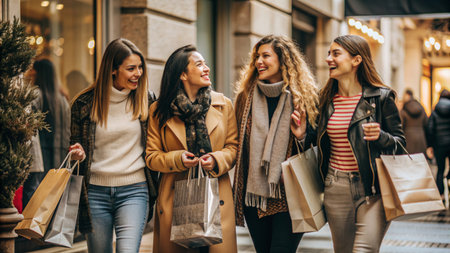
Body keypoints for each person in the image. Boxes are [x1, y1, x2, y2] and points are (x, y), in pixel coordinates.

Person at [301, 34, 405, 252]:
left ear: (356, 60)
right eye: (329, 53)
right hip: (335, 187)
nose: (328, 58)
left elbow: (401, 145)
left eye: (336, 54)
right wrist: (301, 134)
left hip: (373, 189)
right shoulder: (325, 99)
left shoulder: (381, 98)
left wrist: (382, 137)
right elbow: (313, 141)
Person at [145, 45, 238, 253]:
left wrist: (215, 159)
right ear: (182, 74)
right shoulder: (159, 110)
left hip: (216, 199)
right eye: (199, 64)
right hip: (175, 199)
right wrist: (178, 159)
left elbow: (233, 148)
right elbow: (151, 156)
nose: (206, 68)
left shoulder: (224, 105)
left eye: (205, 63)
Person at [69, 38, 158, 253]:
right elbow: (73, 146)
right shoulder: (84, 103)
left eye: (140, 67)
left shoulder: (147, 100)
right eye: (131, 68)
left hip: (135, 190)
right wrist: (77, 153)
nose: (138, 73)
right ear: (113, 70)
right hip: (95, 193)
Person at [233, 35, 319, 253]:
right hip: (254, 197)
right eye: (257, 57)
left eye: (266, 56)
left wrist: (301, 136)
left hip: (289, 195)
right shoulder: (245, 97)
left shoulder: (304, 97)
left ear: (283, 60)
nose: (259, 62)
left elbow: (318, 141)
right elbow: (236, 141)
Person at [22, 59, 71, 208]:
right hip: (60, 156)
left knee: (38, 202)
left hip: (41, 156)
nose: (30, 73)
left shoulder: (35, 96)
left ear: (38, 73)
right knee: (55, 200)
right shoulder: (62, 100)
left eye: (32, 70)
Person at [427, 89, 450, 196]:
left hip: (439, 145)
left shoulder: (435, 111)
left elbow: (430, 129)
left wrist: (430, 145)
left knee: (440, 169)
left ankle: (440, 195)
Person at [400, 88, 428, 155]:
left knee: (409, 162)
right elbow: (426, 123)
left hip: (408, 140)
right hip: (421, 139)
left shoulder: (403, 110)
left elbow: (400, 126)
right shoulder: (421, 108)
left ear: (408, 95)